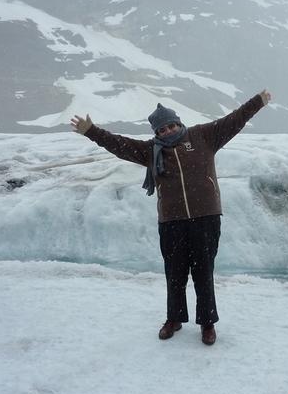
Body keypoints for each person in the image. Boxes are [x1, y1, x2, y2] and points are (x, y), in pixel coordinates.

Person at [71, 90, 271, 345]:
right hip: (171, 221)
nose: (167, 131)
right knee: (174, 273)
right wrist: (91, 131)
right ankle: (174, 319)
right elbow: (119, 145)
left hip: (205, 217)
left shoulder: (204, 135)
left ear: (179, 123)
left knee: (203, 273)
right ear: (156, 133)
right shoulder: (151, 151)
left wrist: (258, 102)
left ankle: (207, 323)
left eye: (171, 125)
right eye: (161, 130)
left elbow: (235, 119)